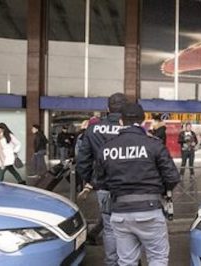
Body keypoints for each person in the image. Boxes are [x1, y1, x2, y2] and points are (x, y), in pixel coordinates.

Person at [97, 103, 180, 266]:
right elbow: (172, 177)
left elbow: (99, 181)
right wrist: (159, 190)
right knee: (157, 258)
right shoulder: (154, 144)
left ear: (121, 121)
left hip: (120, 212)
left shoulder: (107, 148)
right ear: (143, 121)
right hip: (149, 209)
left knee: (127, 261)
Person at [76, 93, 127, 266]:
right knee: (130, 227)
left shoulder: (94, 129)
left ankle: (112, 262)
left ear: (107, 109)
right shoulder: (131, 129)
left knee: (110, 227)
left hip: (104, 186)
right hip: (128, 186)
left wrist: (91, 180)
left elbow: (82, 160)